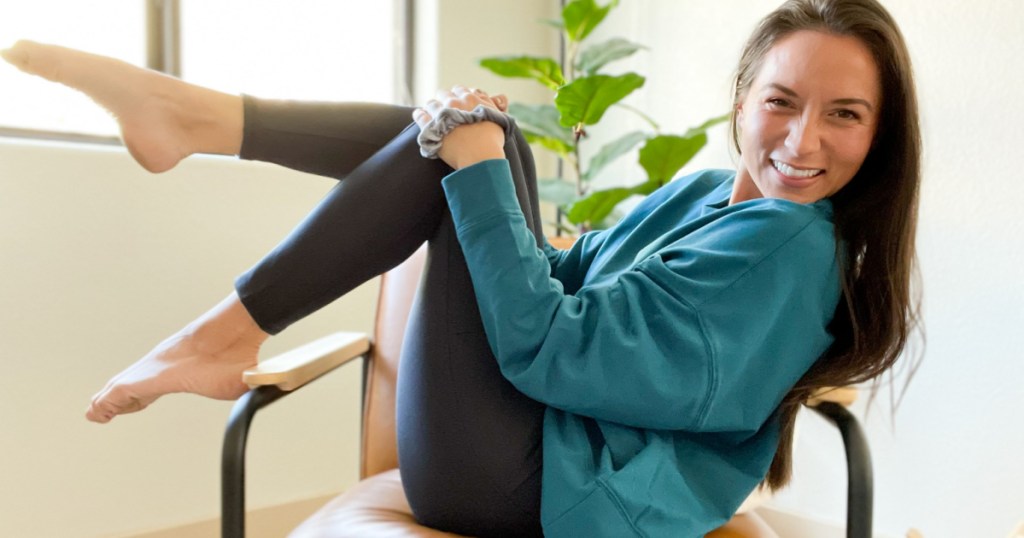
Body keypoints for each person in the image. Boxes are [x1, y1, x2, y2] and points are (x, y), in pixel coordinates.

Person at [1, 0, 921, 535]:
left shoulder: (790, 253)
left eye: (843, 114)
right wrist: (481, 161)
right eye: (781, 101)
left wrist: (480, 166)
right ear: (742, 99)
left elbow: (551, 352)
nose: (802, 141)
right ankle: (195, 127)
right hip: (535, 444)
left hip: (538, 488)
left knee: (474, 146)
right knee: (466, 140)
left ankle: (218, 274)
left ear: (879, 135)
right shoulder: (714, 196)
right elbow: (571, 282)